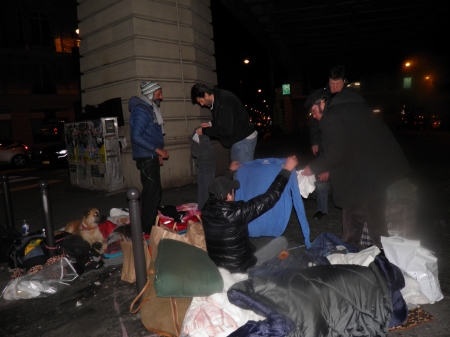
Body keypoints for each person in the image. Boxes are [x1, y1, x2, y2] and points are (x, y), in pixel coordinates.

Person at [301, 88, 410, 249]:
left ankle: (385, 257)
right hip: (365, 168)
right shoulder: (343, 110)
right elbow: (348, 145)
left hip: (374, 171)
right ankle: (349, 245)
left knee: (375, 218)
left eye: (314, 111)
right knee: (352, 206)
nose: (314, 116)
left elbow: (336, 152)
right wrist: (328, 168)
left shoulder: (333, 117)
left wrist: (312, 168)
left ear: (322, 103)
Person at [201, 156, 298, 273]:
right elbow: (270, 197)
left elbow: (218, 190)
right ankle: (264, 271)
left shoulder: (205, 209)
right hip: (243, 269)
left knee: (248, 246)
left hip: (218, 267)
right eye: (232, 190)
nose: (234, 192)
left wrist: (230, 171)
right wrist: (286, 170)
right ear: (228, 196)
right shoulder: (238, 212)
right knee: (282, 241)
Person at [129, 81, 169, 233]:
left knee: (153, 191)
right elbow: (136, 136)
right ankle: (146, 228)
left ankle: (149, 224)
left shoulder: (149, 108)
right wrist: (158, 150)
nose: (161, 97)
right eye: (159, 94)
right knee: (151, 193)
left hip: (149, 156)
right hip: (146, 157)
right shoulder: (141, 109)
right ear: (150, 95)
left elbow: (150, 133)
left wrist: (156, 153)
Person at [309, 65, 347, 220]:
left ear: (345, 82)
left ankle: (347, 206)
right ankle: (322, 208)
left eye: (338, 84)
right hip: (325, 140)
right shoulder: (322, 97)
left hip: (344, 142)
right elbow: (313, 121)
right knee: (321, 175)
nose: (335, 87)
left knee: (343, 174)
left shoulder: (348, 97)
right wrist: (315, 141)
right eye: (332, 84)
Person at [190, 83, 257, 163]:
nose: (201, 105)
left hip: (242, 140)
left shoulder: (223, 101)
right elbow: (225, 119)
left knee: (243, 173)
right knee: (238, 172)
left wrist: (204, 131)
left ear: (206, 95)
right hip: (240, 139)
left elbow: (226, 130)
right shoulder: (219, 99)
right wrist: (211, 124)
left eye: (201, 101)